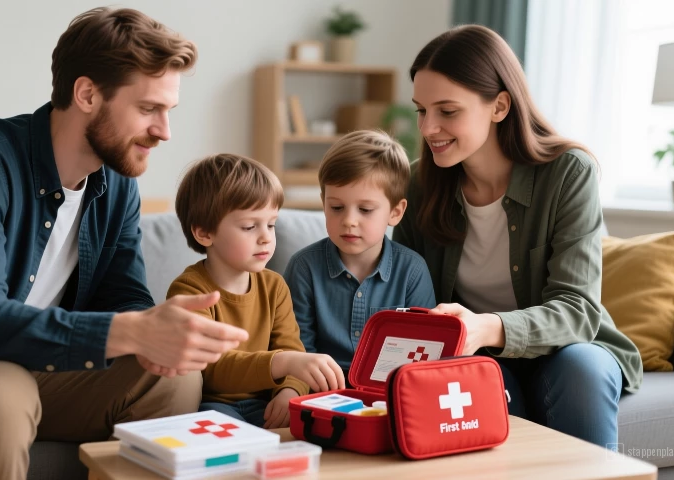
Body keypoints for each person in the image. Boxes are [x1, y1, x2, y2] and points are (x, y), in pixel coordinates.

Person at [0, 8, 249, 480]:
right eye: (148, 109)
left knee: (172, 378)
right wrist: (127, 332)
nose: (165, 131)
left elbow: (123, 296)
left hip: (37, 370)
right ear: (87, 94)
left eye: (169, 111)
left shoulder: (117, 183)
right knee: (2, 390)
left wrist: (156, 331)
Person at [392, 25, 642, 447]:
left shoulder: (568, 173)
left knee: (581, 370)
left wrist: (485, 327)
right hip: (478, 355)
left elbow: (578, 309)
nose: (429, 127)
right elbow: (404, 291)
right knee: (479, 383)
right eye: (421, 110)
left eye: (447, 111)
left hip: (567, 348)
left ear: (499, 106)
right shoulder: (419, 185)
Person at [168, 154, 346, 428]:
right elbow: (210, 369)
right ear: (204, 233)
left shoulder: (274, 286)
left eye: (271, 224)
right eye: (250, 226)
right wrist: (283, 363)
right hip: (213, 404)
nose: (266, 236)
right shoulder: (190, 290)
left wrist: (290, 390)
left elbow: (291, 348)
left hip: (266, 402)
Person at [284, 130, 436, 380]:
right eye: (336, 207)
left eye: (365, 209)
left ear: (396, 212)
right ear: (324, 203)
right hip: (320, 390)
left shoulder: (412, 271)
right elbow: (297, 349)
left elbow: (424, 352)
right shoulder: (304, 268)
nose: (349, 221)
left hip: (389, 391)